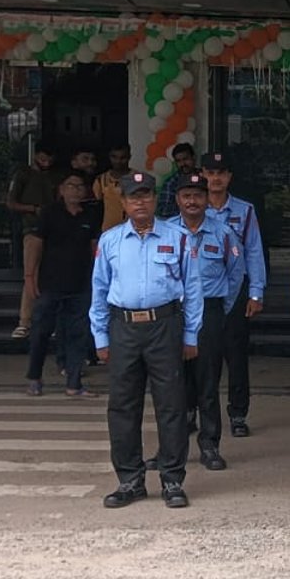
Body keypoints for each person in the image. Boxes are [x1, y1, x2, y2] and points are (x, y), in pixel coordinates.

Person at [89, 171, 203, 509]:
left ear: (155, 200)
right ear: (122, 203)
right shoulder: (109, 241)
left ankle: (171, 479)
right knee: (123, 406)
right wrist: (99, 336)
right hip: (123, 327)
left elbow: (193, 290)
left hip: (165, 325)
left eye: (146, 195)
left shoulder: (178, 237)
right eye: (133, 196)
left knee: (171, 405)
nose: (140, 201)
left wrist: (191, 334)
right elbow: (98, 291)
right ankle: (129, 480)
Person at [174, 172, 242, 472]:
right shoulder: (166, 232)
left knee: (208, 381)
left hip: (211, 312)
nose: (192, 201)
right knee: (172, 384)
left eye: (198, 195)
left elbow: (236, 273)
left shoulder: (223, 233)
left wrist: (219, 308)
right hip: (173, 314)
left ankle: (210, 445)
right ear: (178, 199)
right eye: (187, 195)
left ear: (206, 200)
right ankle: (171, 449)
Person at [201, 152, 266, 438]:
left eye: (222, 173)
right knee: (202, 357)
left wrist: (256, 292)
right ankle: (198, 411)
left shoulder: (244, 210)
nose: (216, 178)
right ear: (203, 174)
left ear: (229, 177)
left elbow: (253, 251)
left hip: (236, 290)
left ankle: (238, 413)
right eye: (210, 172)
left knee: (236, 355)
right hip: (203, 294)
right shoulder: (193, 208)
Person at [24, 170, 99, 398]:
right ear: (62, 190)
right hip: (50, 284)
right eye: (71, 185)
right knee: (41, 332)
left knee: (78, 333)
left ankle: (74, 383)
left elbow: (96, 248)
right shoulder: (49, 213)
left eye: (80, 186)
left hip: (81, 284)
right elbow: (36, 244)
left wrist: (100, 280)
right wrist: (29, 276)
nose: (76, 190)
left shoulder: (91, 214)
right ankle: (35, 378)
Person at [7, 142, 63, 338]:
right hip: (31, 228)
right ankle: (25, 322)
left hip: (54, 230)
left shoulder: (56, 177)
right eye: (42, 158)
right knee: (31, 275)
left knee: (55, 276)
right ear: (36, 155)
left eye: (49, 158)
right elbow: (11, 203)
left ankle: (53, 323)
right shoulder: (23, 174)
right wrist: (33, 209)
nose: (46, 162)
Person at [92, 144, 134, 232]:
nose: (118, 161)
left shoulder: (138, 178)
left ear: (129, 157)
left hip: (132, 229)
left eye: (123, 158)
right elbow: (97, 207)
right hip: (108, 229)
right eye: (114, 157)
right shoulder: (101, 180)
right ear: (109, 157)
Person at [156, 143, 199, 217]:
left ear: (193, 157)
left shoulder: (204, 176)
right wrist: (189, 209)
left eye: (185, 159)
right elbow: (163, 210)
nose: (183, 164)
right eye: (178, 161)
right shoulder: (171, 182)